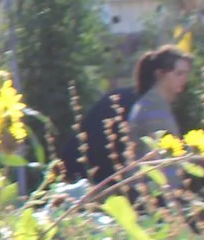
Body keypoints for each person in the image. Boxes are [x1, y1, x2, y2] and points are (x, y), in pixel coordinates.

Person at [75, 46, 190, 186]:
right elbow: (161, 159)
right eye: (179, 73)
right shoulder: (153, 106)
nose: (184, 79)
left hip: (150, 189)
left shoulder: (156, 103)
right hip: (152, 191)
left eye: (186, 73)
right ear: (160, 74)